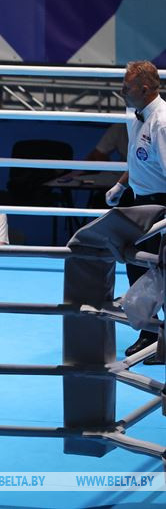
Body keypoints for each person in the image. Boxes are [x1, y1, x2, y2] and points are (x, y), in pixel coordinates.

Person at [104, 60, 166, 364]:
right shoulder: (138, 115)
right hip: (140, 201)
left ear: (144, 89)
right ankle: (150, 333)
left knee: (160, 271)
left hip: (161, 205)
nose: (121, 91)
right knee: (136, 264)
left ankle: (160, 339)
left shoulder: (162, 123)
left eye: (125, 87)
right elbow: (140, 159)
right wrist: (121, 184)